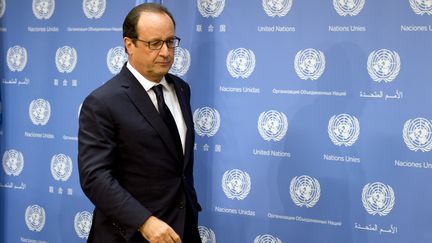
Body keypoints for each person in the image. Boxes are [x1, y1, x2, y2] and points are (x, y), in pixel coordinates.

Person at [78, 3, 201, 243]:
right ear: (129, 44)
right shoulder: (103, 102)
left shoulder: (181, 89)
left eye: (170, 41)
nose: (165, 52)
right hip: (130, 234)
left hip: (181, 230)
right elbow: (95, 177)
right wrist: (144, 221)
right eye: (154, 43)